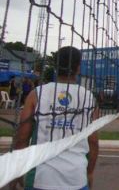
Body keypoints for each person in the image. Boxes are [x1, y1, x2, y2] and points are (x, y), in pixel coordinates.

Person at [9, 46, 99, 190]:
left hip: (41, 177)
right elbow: (93, 142)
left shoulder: (36, 94)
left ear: (56, 66)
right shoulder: (88, 97)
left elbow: (22, 138)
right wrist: (90, 173)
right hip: (76, 177)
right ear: (78, 67)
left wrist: (17, 171)